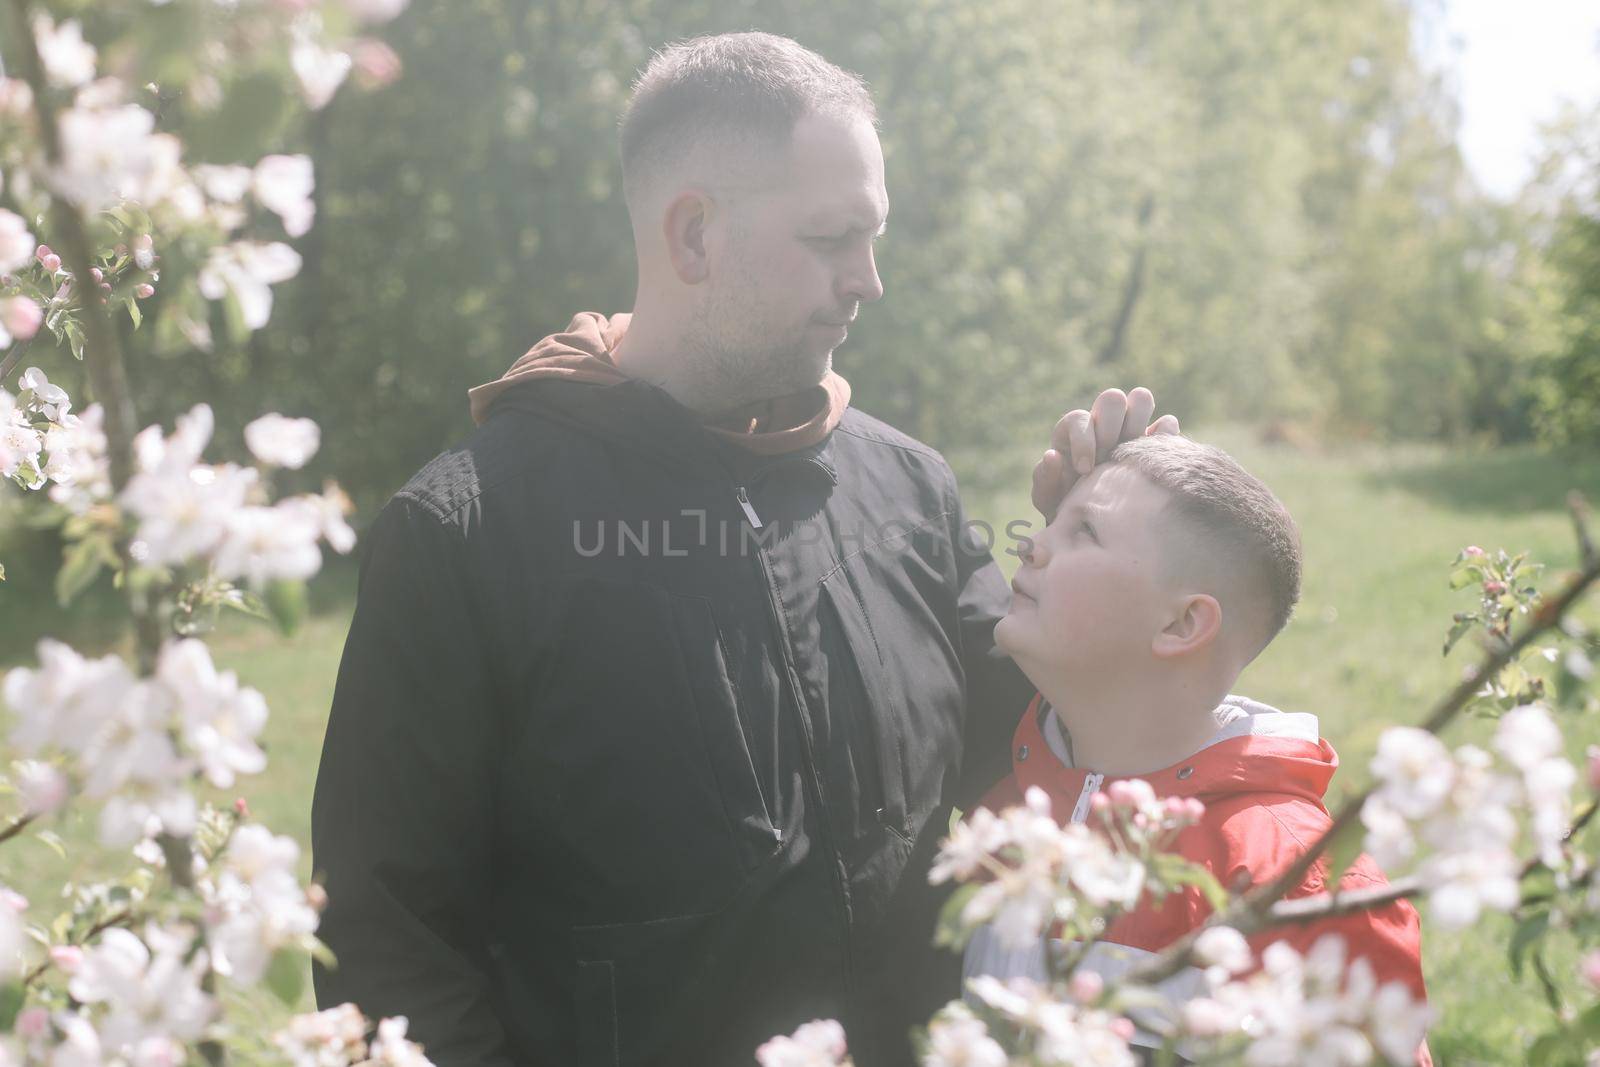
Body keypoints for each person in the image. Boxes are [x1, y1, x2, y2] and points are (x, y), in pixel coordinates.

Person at [310, 31, 1171, 1066]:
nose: (869, 281)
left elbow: (1055, 756)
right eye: (830, 238)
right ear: (692, 237)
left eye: (874, 235)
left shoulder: (913, 492)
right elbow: (382, 944)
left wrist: (1108, 563)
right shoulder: (465, 533)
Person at [964, 434, 1431, 1063]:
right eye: (1053, 521)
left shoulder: (1291, 878)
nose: (1031, 543)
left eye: (1084, 532)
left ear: (1182, 625)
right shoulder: (1006, 809)